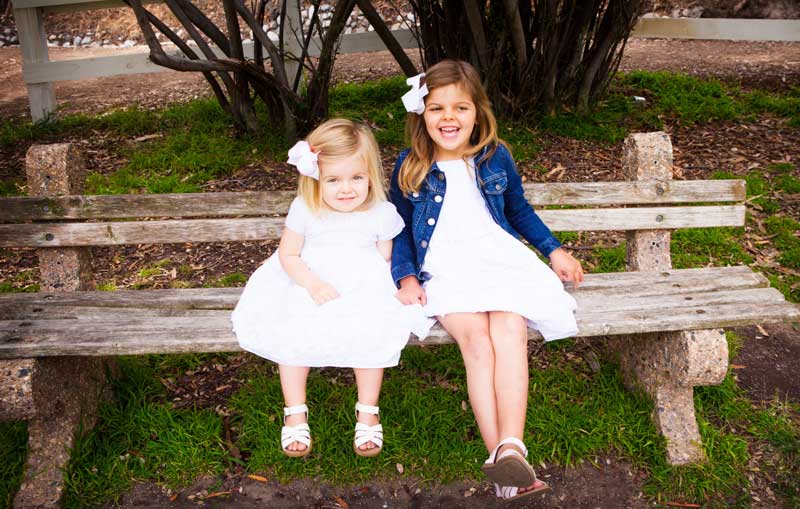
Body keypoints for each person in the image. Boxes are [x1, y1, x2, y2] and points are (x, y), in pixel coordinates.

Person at [390, 60, 583, 501]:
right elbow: (398, 228)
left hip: (499, 262)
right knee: (476, 342)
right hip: (446, 270)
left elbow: (518, 211)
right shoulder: (411, 165)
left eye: (460, 107)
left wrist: (554, 249)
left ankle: (511, 447)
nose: (449, 118)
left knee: (509, 329)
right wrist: (403, 276)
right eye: (436, 108)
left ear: (478, 111)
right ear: (421, 113)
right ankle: (502, 464)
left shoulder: (495, 157)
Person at [232, 118, 428, 459]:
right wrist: (311, 282)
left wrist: (383, 284)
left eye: (357, 177)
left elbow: (386, 255)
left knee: (374, 330)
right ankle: (295, 410)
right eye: (333, 180)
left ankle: (368, 410)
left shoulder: (381, 212)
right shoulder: (306, 209)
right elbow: (288, 254)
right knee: (290, 329)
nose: (346, 188)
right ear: (315, 180)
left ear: (371, 176)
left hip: (364, 283)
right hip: (308, 279)